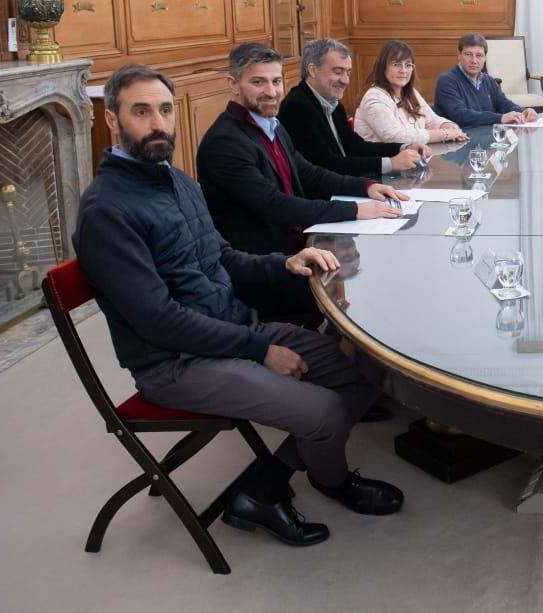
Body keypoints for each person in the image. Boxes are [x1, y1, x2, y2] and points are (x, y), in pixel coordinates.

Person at [74, 64, 407, 549]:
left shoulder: (177, 181)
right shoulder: (107, 210)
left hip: (232, 326)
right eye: (141, 112)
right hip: (175, 361)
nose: (158, 123)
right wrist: (259, 349)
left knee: (370, 373)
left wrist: (285, 262)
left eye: (165, 110)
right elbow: (158, 320)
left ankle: (262, 487)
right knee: (327, 411)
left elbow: (222, 258)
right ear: (113, 121)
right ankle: (330, 480)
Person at [196, 43, 408, 260]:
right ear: (233, 85)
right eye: (258, 82)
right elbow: (274, 205)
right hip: (267, 262)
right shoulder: (225, 142)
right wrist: (355, 209)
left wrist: (367, 187)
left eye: (276, 81)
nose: (271, 92)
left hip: (296, 244)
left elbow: (309, 173)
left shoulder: (272, 124)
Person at [277, 38, 424, 178]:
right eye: (337, 71)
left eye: (348, 72)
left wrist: (403, 148)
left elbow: (356, 147)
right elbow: (325, 164)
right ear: (313, 70)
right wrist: (390, 163)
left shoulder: (333, 104)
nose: (346, 80)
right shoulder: (296, 107)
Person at [354, 39, 467, 146]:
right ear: (383, 67)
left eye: (408, 65)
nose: (403, 70)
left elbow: (432, 120)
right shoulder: (374, 97)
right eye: (396, 64)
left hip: (410, 159)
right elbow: (396, 137)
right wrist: (445, 134)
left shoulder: (410, 92)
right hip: (383, 163)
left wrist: (451, 127)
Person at [434, 33, 540, 127]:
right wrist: (500, 118)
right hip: (457, 141)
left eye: (479, 55)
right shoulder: (447, 80)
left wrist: (523, 111)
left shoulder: (488, 80)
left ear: (485, 58)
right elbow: (460, 115)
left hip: (485, 139)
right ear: (459, 55)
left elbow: (504, 104)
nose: (474, 60)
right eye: (468, 54)